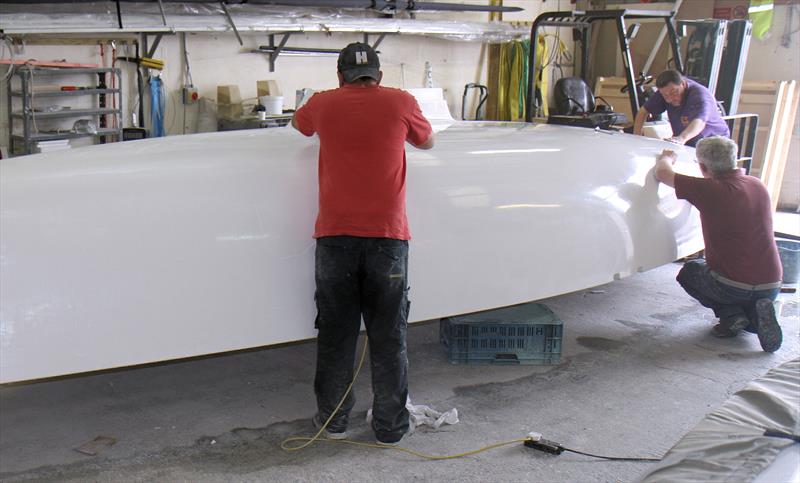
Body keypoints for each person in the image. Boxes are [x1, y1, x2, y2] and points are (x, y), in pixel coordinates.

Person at [291, 42, 434, 445]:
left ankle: (333, 422)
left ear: (340, 76)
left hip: (335, 238)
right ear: (379, 75)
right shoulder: (401, 101)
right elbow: (428, 142)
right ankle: (389, 428)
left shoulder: (322, 103)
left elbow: (298, 126)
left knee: (336, 334)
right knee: (389, 336)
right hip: (388, 238)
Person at [653, 136, 782, 352]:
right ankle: (755, 316)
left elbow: (662, 173)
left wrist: (667, 157)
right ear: (734, 160)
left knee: (690, 271)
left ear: (702, 166)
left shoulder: (710, 189)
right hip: (772, 283)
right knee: (738, 284)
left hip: (734, 287)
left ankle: (733, 316)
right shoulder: (757, 185)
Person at [634, 70, 730, 146]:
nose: (670, 99)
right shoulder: (666, 91)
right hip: (688, 142)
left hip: (714, 143)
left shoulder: (700, 95)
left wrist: (681, 139)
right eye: (665, 96)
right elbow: (643, 111)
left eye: (674, 93)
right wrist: (636, 138)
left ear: (683, 84)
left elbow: (700, 122)